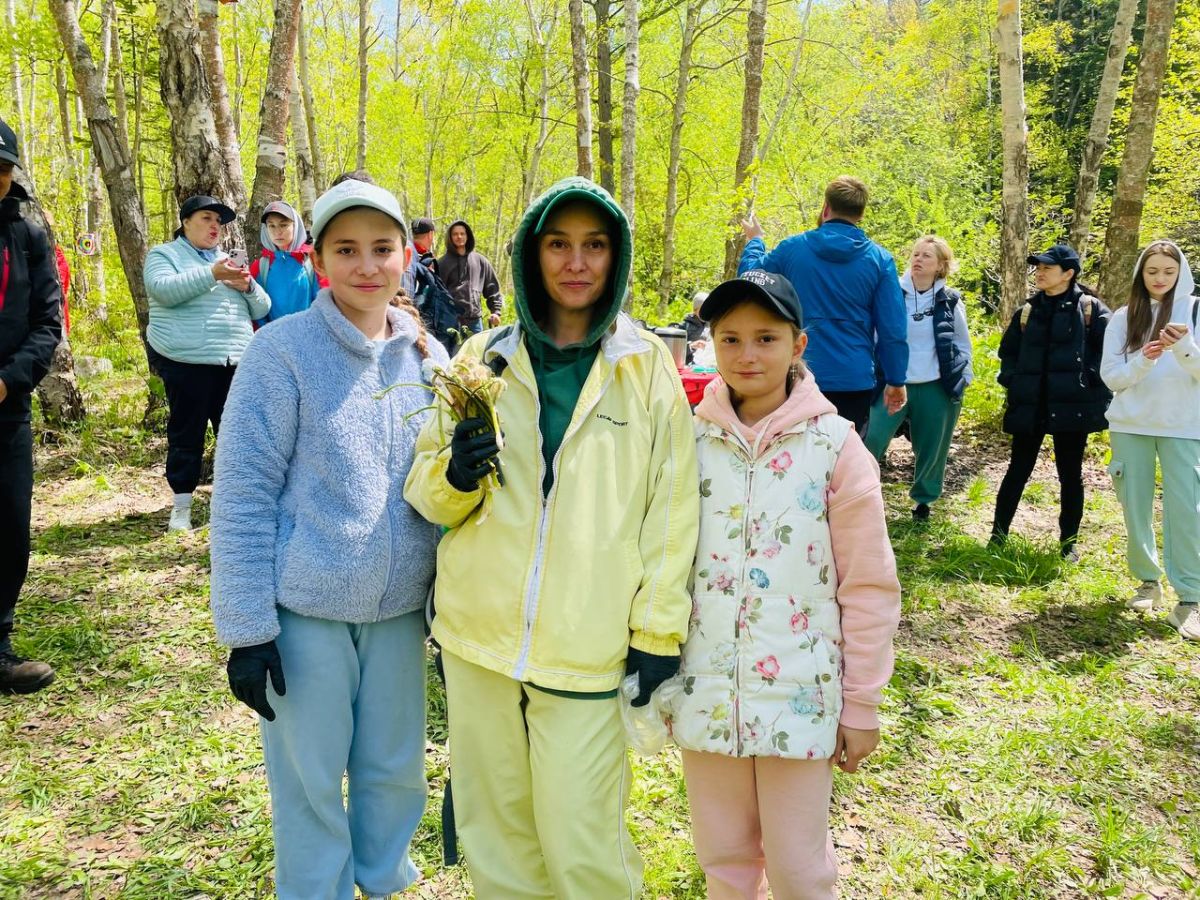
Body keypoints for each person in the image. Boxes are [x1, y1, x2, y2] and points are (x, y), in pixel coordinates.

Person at [404, 176, 699, 898]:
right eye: (558, 244)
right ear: (533, 255)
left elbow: (671, 509)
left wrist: (658, 633)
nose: (576, 262)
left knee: (583, 840)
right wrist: (457, 475)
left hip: (586, 646)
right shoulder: (484, 356)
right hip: (479, 643)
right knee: (496, 835)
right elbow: (426, 490)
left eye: (594, 245)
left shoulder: (646, 368)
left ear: (616, 256)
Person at [210, 179, 445, 899]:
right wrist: (248, 630)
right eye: (347, 249)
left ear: (406, 256)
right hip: (305, 612)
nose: (366, 266)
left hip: (402, 613)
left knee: (394, 771)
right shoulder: (280, 353)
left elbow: (444, 485)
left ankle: (383, 883)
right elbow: (244, 495)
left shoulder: (429, 359)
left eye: (382, 248)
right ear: (319, 260)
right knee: (310, 783)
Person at [667, 269, 900, 899]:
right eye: (731, 338)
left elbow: (869, 586)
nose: (747, 355)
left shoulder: (837, 448)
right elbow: (660, 566)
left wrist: (862, 704)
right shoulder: (688, 441)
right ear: (710, 345)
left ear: (798, 345)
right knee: (724, 861)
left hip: (802, 697)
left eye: (766, 338)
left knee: (800, 868)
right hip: (707, 691)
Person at [739, 175, 908, 433]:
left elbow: (750, 279)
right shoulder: (880, 260)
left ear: (826, 208)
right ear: (860, 214)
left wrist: (755, 241)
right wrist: (896, 379)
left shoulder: (791, 249)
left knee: (792, 458)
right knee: (845, 461)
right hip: (853, 379)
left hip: (798, 374)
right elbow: (893, 329)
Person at [143, 195, 270, 532]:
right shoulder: (164, 255)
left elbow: (262, 307)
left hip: (234, 360)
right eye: (206, 218)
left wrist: (247, 285)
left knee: (235, 436)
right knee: (187, 433)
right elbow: (162, 290)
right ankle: (181, 509)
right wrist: (212, 274)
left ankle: (234, 505)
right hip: (187, 360)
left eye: (219, 221)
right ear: (185, 222)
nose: (215, 226)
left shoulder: (228, 261)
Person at [1100, 240, 1200, 639]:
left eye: (1168, 272)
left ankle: (1190, 598)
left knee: (1187, 511)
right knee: (1134, 507)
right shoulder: (1124, 317)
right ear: (1141, 274)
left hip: (1184, 427)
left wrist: (1185, 348)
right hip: (1131, 425)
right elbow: (1112, 377)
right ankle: (1147, 582)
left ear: (1181, 273)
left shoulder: (1194, 310)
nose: (1160, 279)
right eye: (1152, 271)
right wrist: (1146, 358)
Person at [992, 243, 1112, 560]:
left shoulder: (1092, 311)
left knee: (1070, 474)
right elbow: (1009, 355)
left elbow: (1109, 355)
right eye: (1038, 267)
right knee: (1017, 470)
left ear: (1068, 273)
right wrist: (1013, 381)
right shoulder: (1028, 311)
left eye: (1047, 268)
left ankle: (1067, 545)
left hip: (1074, 406)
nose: (1039, 272)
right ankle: (996, 540)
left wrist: (1087, 383)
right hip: (1031, 404)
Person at [0, 117, 62, 694]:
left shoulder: (27, 235)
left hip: (6, 409)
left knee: (9, 529)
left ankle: (0, 646)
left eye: (0, 170)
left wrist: (9, 380)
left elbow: (48, 323)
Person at [864, 235, 973, 521]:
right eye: (915, 254)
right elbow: (875, 337)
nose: (918, 259)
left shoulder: (950, 300)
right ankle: (859, 494)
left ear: (940, 265)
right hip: (891, 383)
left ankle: (923, 502)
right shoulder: (892, 294)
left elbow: (962, 344)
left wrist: (965, 378)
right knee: (869, 439)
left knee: (932, 447)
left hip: (936, 386)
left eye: (926, 256)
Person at [250, 200, 320, 325]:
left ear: (296, 226)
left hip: (309, 338)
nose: (277, 232)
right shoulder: (260, 267)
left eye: (283, 225)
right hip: (273, 341)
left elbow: (323, 305)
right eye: (271, 226)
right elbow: (256, 310)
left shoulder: (313, 261)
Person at [436, 218, 503, 334]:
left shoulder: (480, 261)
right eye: (455, 234)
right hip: (451, 323)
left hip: (475, 322)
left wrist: (495, 312)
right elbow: (436, 295)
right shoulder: (441, 264)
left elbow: (492, 288)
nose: (459, 237)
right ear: (450, 237)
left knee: (476, 352)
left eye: (462, 233)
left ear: (468, 236)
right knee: (454, 353)